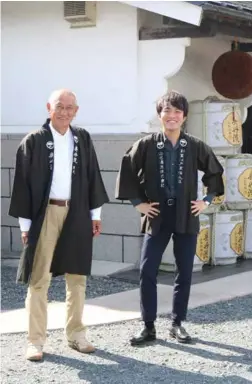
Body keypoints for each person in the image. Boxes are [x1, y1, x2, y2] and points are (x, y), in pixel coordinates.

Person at [115, 91, 224, 346]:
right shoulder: (147, 144)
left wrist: (206, 201)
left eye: (177, 111)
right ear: (159, 115)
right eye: (167, 111)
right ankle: (148, 326)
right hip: (157, 213)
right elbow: (127, 169)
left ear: (184, 116)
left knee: (184, 271)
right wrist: (137, 203)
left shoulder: (194, 145)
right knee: (147, 270)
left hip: (186, 213)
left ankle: (177, 324)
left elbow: (214, 172)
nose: (172, 116)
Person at [9, 89, 109, 361]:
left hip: (76, 212)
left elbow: (92, 178)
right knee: (38, 279)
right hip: (46, 213)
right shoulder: (34, 141)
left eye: (70, 107)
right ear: (48, 108)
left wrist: (95, 214)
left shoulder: (83, 138)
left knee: (77, 277)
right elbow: (23, 188)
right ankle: (35, 341)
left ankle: (76, 334)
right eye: (59, 106)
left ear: (76, 111)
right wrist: (25, 226)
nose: (64, 112)